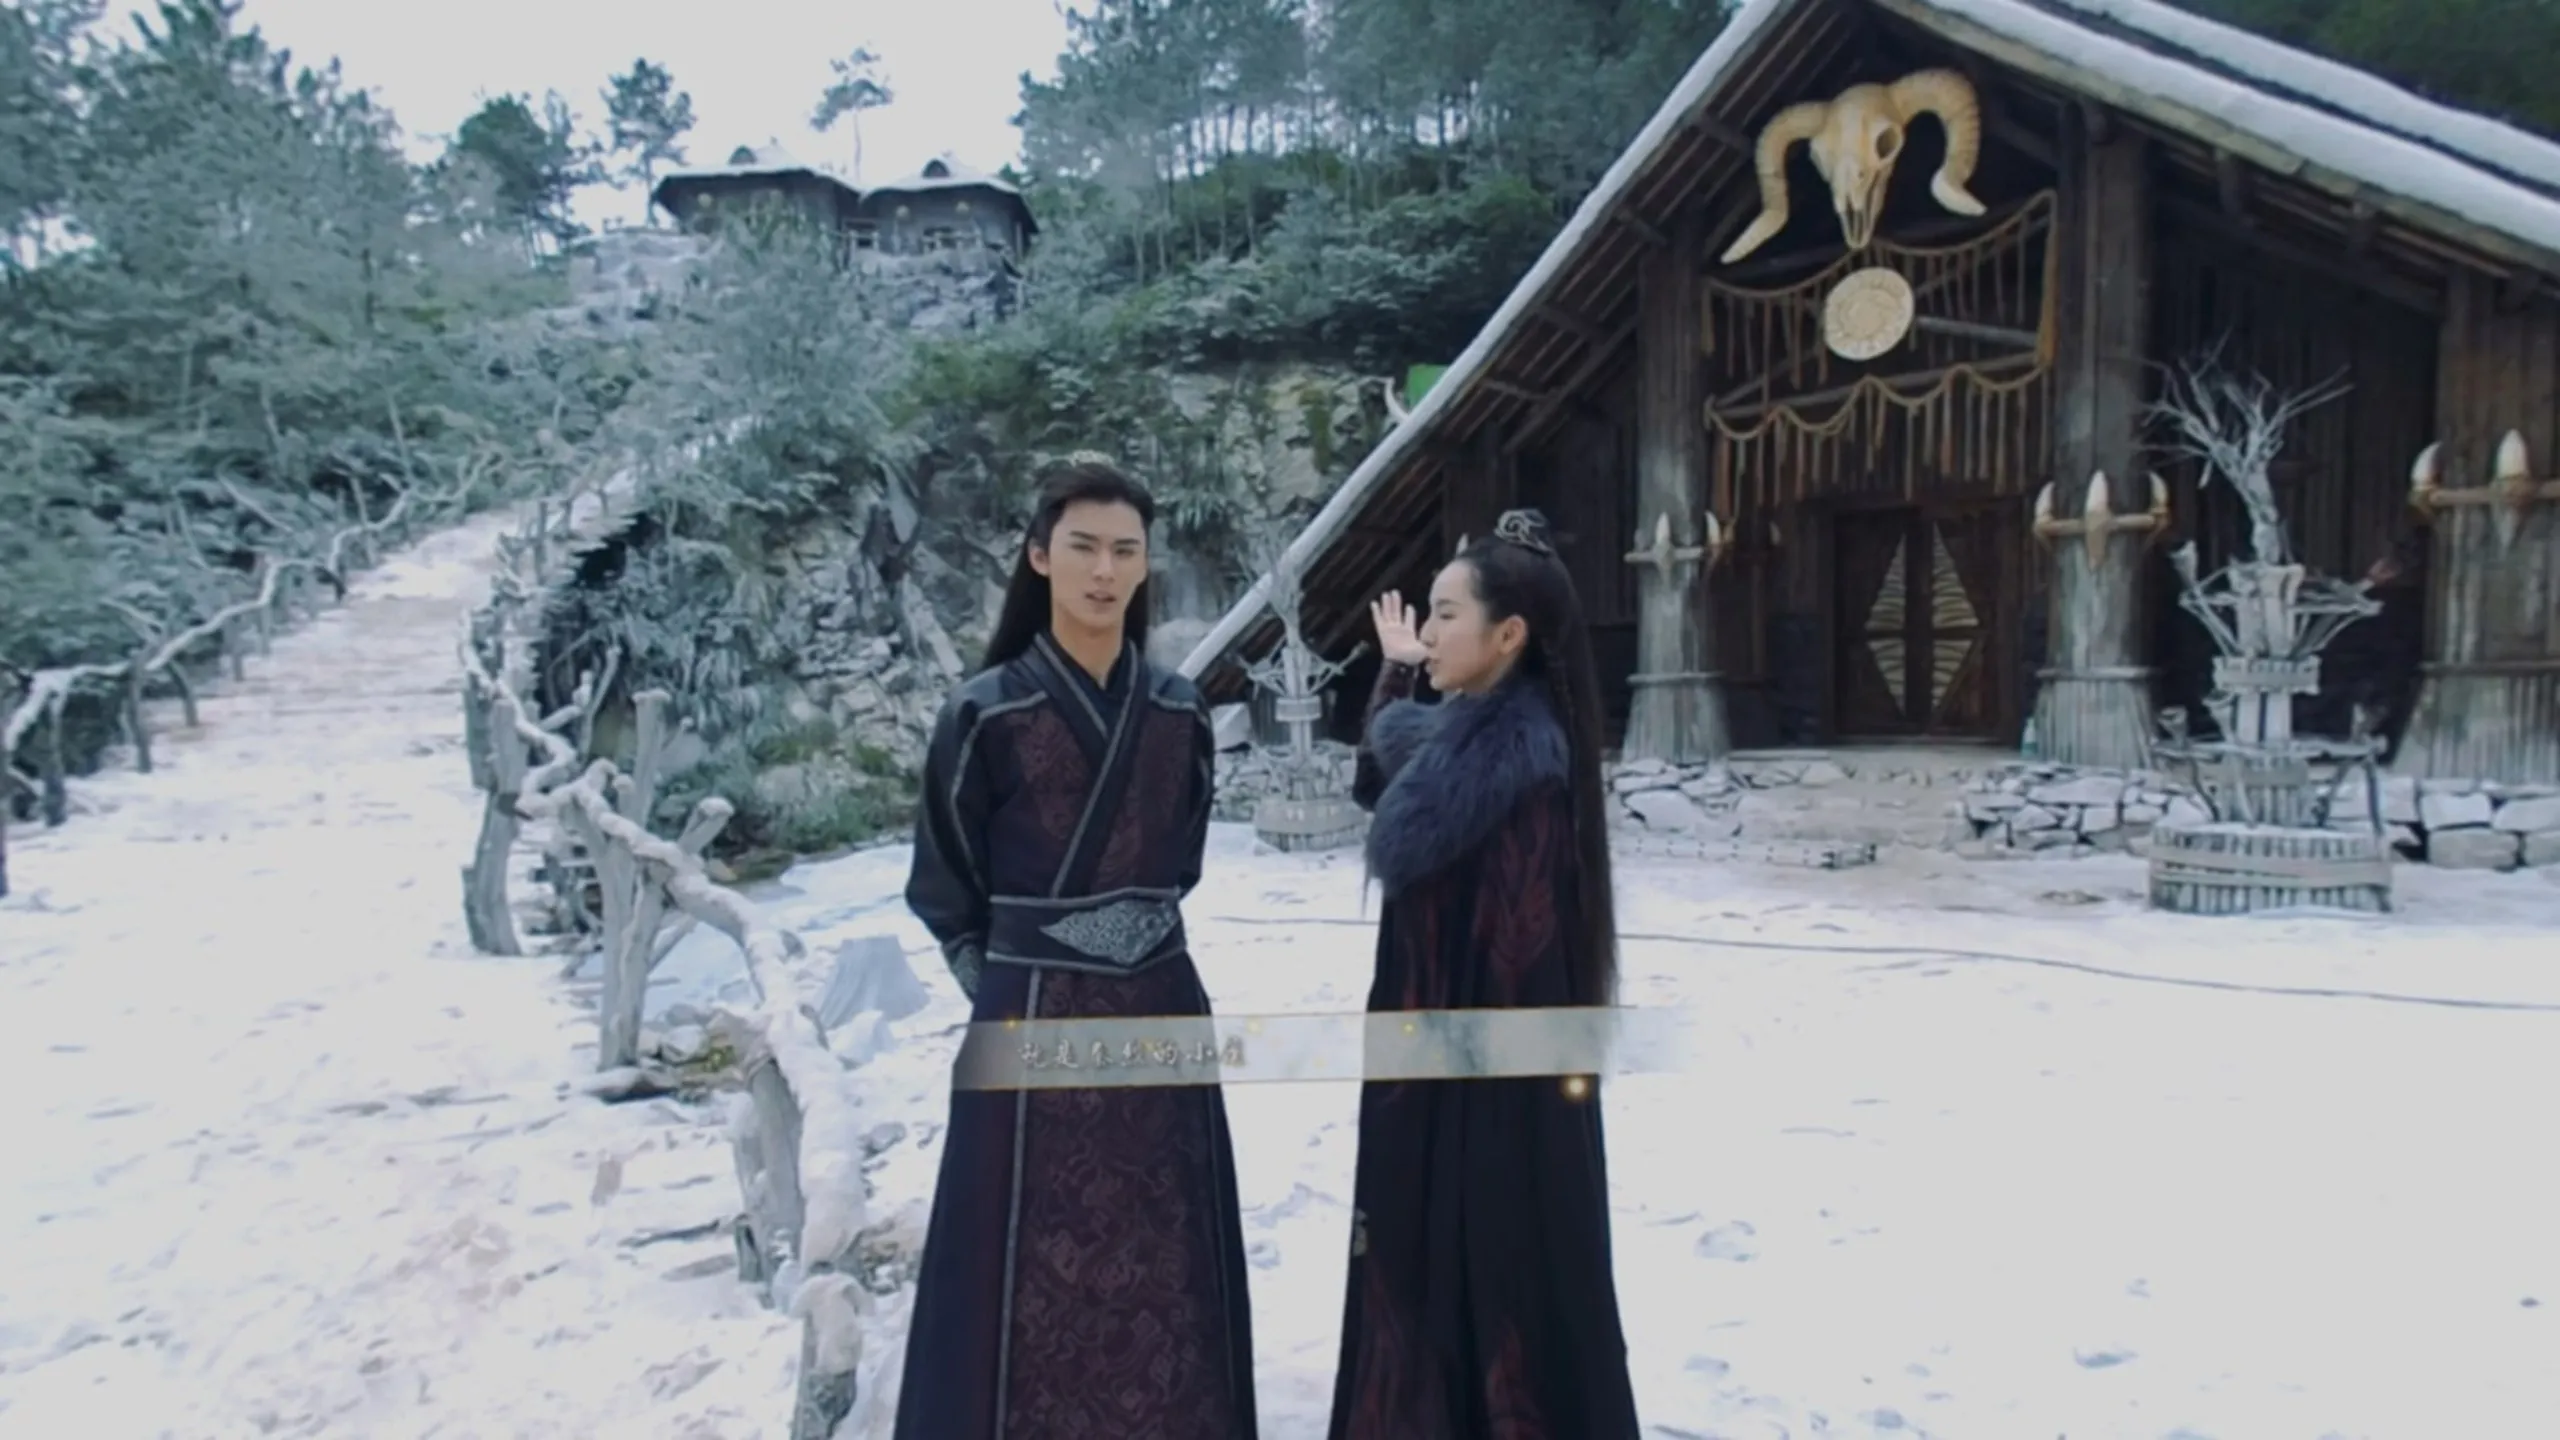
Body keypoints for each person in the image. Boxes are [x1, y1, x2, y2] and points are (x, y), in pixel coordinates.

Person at [898, 456, 1259, 1440]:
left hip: (1160, 1006)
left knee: (1163, 1233)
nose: (1105, 570)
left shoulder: (1179, 711)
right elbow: (945, 888)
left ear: (1145, 566)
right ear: (1039, 556)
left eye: (1125, 551)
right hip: (1031, 1016)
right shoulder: (985, 713)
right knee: (1022, 1247)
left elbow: (1180, 863)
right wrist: (1008, 997)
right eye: (1084, 547)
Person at [1327, 508, 1641, 1439]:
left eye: (1445, 614)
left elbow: (1520, 964)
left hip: (1486, 1099)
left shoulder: (1520, 771)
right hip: (1428, 1065)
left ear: (1509, 636)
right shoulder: (1463, 739)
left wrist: (1467, 1100)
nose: (1428, 632)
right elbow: (1383, 779)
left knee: (1487, 1276)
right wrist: (1396, 667)